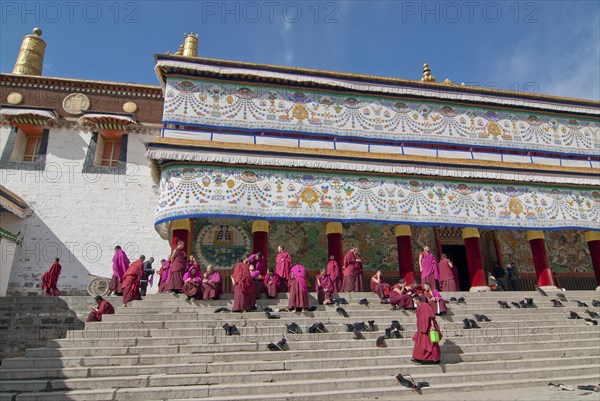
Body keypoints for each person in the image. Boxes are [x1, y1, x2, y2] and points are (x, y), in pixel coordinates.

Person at [411, 294, 442, 364]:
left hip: (428, 327)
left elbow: (430, 316)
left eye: (414, 301)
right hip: (421, 328)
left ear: (418, 300)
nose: (414, 302)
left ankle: (436, 358)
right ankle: (418, 358)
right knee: (420, 343)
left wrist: (433, 326)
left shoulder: (425, 305)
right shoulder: (419, 307)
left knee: (431, 343)